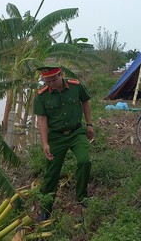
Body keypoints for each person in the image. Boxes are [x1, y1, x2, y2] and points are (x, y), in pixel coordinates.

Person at [33, 66, 95, 220]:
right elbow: (41, 119)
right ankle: (46, 208)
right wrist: (45, 143)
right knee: (52, 173)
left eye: (54, 79)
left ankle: (82, 197)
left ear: (61, 75)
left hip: (76, 132)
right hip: (56, 137)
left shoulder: (75, 86)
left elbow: (85, 101)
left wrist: (89, 124)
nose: (51, 83)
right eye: (47, 81)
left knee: (84, 161)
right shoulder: (41, 95)